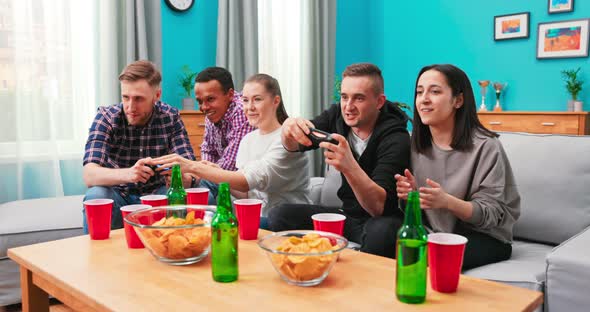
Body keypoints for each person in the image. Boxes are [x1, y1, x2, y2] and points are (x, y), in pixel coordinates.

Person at [268, 63, 411, 258]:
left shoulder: (396, 137)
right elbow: (297, 144)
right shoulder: (337, 116)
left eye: (359, 98)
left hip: (381, 220)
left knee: (382, 233)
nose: (348, 106)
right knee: (280, 215)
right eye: (344, 97)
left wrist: (349, 166)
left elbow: (378, 207)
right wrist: (288, 131)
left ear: (379, 102)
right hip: (347, 215)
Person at [395, 64, 520, 270]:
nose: (424, 99)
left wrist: (447, 202)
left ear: (458, 100)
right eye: (419, 92)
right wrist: (411, 196)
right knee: (383, 240)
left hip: (486, 237)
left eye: (435, 91)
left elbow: (492, 214)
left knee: (430, 257)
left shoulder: (487, 146)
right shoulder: (415, 145)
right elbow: (417, 212)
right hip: (434, 233)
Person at [153, 73, 311, 228]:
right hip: (259, 218)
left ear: (275, 101)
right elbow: (248, 193)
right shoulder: (248, 140)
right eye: (245, 100)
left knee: (215, 226)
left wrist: (194, 167)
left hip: (287, 221)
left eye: (257, 99)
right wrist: (216, 173)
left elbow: (245, 182)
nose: (250, 107)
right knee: (205, 220)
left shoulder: (287, 139)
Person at [82, 60, 195, 233]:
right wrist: (130, 174)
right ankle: (94, 257)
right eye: (125, 97)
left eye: (139, 99)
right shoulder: (106, 117)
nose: (130, 107)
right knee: (96, 196)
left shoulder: (171, 117)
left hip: (158, 195)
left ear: (157, 95)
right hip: (118, 194)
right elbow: (90, 175)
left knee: (195, 196)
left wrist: (182, 179)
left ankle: (182, 253)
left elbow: (190, 169)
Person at [194, 67, 255, 203]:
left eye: (210, 99)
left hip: (243, 179)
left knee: (200, 188)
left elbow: (231, 164)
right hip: (222, 175)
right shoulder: (213, 111)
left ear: (230, 94)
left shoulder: (241, 111)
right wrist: (205, 169)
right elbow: (207, 148)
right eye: (199, 101)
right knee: (195, 186)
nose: (203, 107)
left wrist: (202, 171)